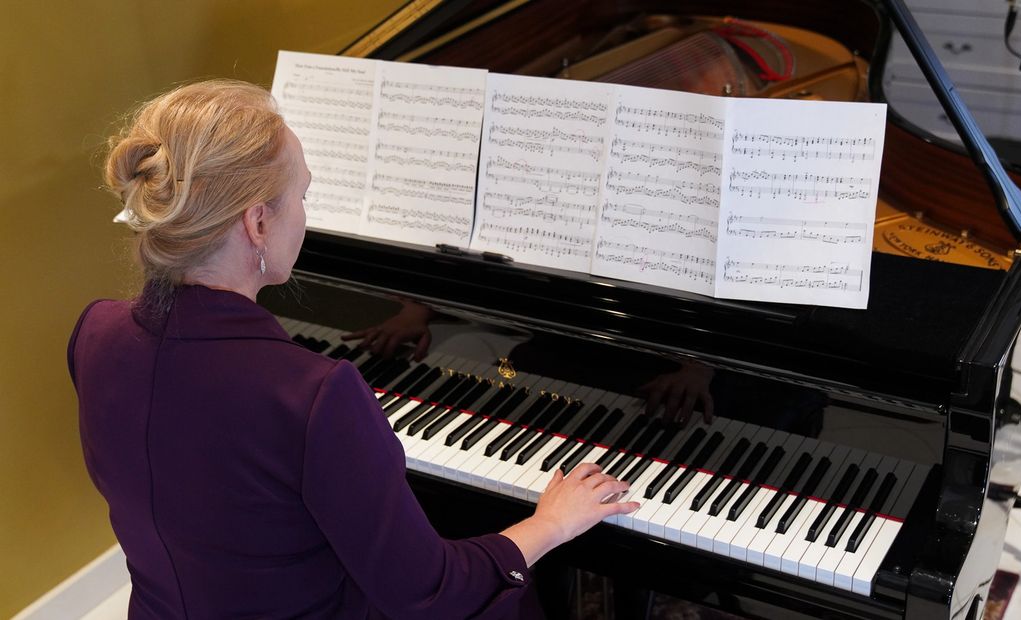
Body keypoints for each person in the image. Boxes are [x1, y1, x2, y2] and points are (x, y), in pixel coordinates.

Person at [67, 79, 638, 619]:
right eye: (304, 196)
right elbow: (430, 594)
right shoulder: (312, 394)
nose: (307, 216)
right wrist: (552, 523)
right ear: (258, 222)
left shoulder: (94, 332)